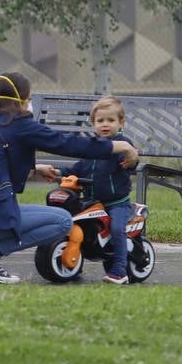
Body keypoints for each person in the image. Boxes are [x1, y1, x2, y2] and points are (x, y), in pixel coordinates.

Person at [0, 71, 139, 284]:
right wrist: (120, 146)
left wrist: (35, 168)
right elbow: (67, 143)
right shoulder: (16, 122)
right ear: (20, 100)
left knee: (4, 210)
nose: (29, 103)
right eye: (28, 98)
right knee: (62, 221)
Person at [60, 95, 134, 284]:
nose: (105, 124)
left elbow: (131, 162)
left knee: (117, 229)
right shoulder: (91, 148)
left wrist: (131, 160)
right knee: (73, 225)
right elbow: (78, 168)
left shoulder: (122, 146)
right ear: (93, 123)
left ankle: (119, 270)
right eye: (100, 120)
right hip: (92, 204)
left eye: (111, 120)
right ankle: (72, 265)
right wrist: (59, 172)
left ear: (121, 122)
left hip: (116, 203)